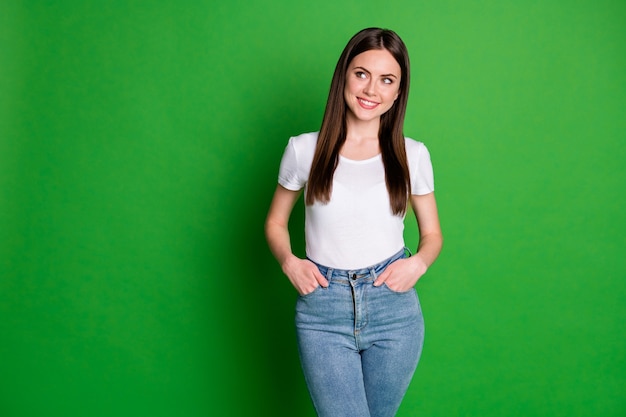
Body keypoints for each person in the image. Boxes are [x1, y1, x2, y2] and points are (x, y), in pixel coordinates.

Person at [264, 27, 443, 417]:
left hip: (393, 310)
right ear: (344, 75)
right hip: (322, 311)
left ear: (398, 93)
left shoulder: (413, 155)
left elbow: (432, 235)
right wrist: (289, 262)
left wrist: (417, 263)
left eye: (387, 80)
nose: (371, 89)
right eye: (361, 73)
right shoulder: (303, 149)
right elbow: (275, 222)